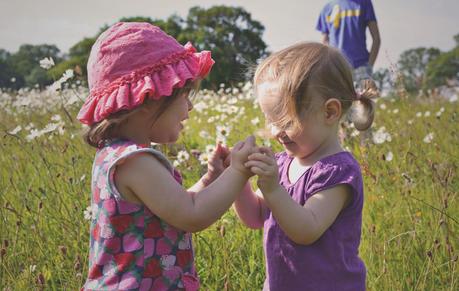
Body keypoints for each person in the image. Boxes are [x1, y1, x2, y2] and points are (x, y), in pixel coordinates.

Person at [77, 22, 255, 290]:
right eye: (185, 95)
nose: (191, 106)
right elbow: (191, 215)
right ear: (149, 99)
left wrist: (210, 179)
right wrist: (238, 171)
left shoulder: (118, 155)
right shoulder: (135, 162)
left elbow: (175, 207)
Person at [234, 42, 378, 290]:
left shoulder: (338, 172)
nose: (276, 131)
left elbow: (307, 229)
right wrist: (237, 178)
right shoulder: (282, 162)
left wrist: (272, 188)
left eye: (286, 120)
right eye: (270, 119)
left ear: (330, 112)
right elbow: (255, 216)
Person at [316, 0, 381, 84]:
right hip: (336, 69)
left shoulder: (364, 3)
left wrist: (369, 66)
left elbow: (376, 38)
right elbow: (325, 42)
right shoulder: (327, 8)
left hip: (361, 68)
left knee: (362, 97)